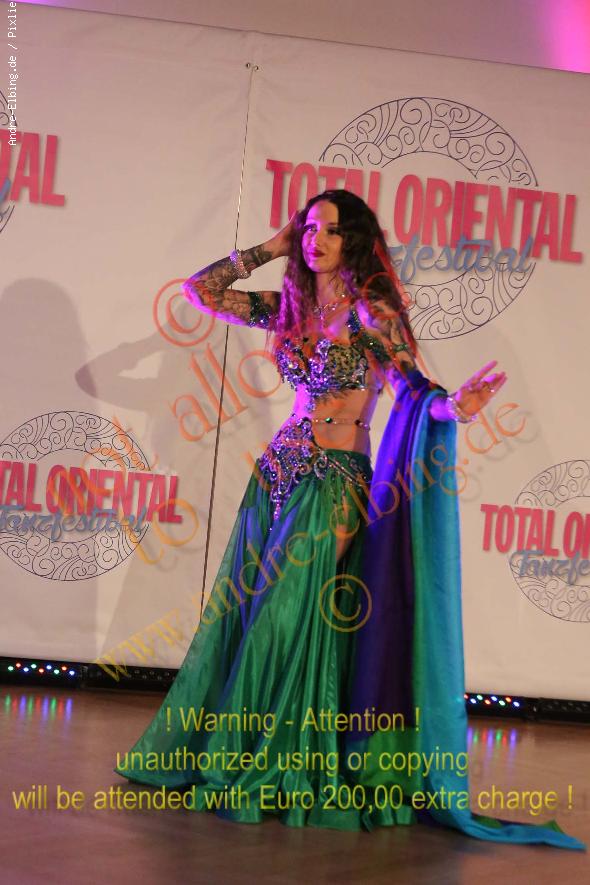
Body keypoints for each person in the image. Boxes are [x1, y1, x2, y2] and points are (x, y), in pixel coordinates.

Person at [114, 190, 584, 850]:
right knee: (243, 617)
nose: (316, 240)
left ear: (356, 240)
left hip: (335, 480)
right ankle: (245, 756)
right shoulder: (290, 308)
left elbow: (411, 386)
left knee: (282, 613)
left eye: (331, 231)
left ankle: (269, 764)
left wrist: (455, 408)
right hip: (275, 475)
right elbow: (201, 291)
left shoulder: (371, 308)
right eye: (309, 229)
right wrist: (269, 247)